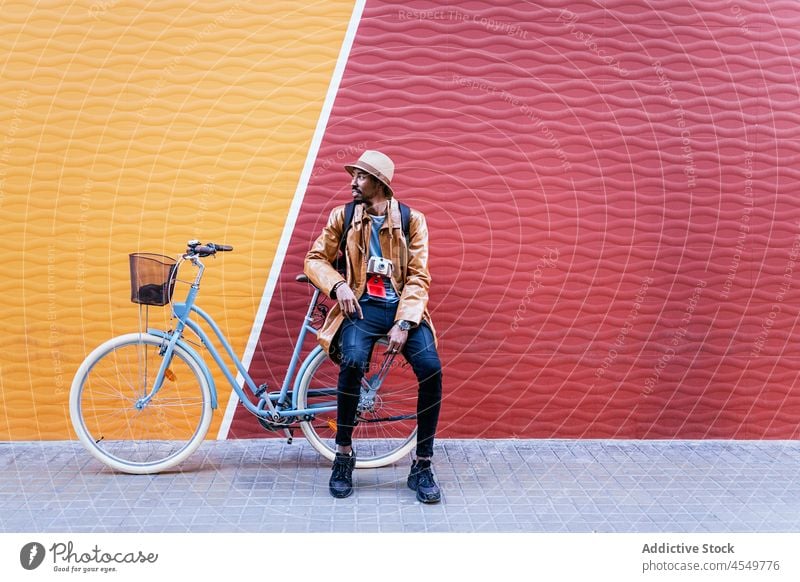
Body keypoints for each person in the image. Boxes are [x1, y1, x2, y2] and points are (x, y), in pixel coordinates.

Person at [304, 150, 443, 503]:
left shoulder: (413, 220)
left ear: (379, 183)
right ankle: (344, 454)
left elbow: (418, 276)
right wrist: (338, 285)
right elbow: (315, 258)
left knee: (431, 368)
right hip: (362, 308)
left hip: (403, 309)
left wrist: (405, 321)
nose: (353, 182)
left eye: (361, 177)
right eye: (354, 176)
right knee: (351, 361)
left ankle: (423, 463)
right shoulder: (344, 216)